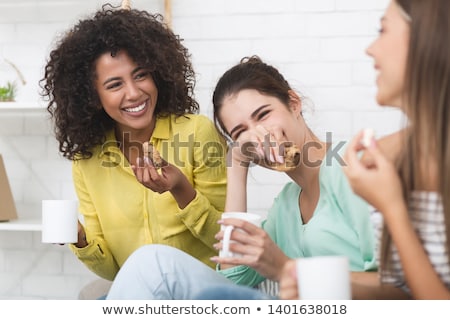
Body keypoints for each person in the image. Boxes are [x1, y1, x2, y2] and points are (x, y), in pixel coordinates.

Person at [105, 56, 377, 299]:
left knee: (153, 266)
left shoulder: (348, 169)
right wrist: (236, 163)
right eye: (240, 132)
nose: (257, 136)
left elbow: (400, 285)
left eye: (263, 115)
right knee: (146, 270)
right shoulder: (285, 207)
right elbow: (231, 278)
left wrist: (287, 269)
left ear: (293, 104)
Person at [40, 4, 227, 281]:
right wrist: (79, 238)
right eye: (115, 85)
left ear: (157, 73)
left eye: (141, 75)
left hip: (202, 292)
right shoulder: (87, 162)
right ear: (92, 97)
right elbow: (114, 271)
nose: (134, 93)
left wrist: (180, 189)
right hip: (139, 296)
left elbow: (225, 244)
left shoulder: (196, 133)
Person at [279, 0, 450, 299]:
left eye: (383, 30)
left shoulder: (379, 179)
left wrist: (392, 207)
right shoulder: (386, 158)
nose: (370, 49)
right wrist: (325, 288)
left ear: (429, 38)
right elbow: (404, 293)